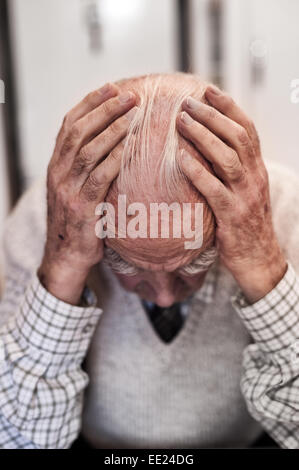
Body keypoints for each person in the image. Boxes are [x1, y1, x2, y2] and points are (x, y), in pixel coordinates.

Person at [0, 73, 298, 449]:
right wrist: (65, 263)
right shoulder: (54, 216)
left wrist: (262, 262)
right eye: (125, 264)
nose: (164, 298)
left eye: (194, 263)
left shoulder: (285, 207)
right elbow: (15, 437)